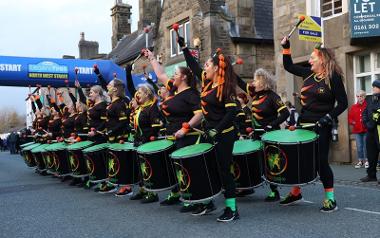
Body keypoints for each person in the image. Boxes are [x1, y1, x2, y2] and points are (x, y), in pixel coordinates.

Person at [281, 36, 348, 212]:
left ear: (322, 60)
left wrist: (328, 117)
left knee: (321, 162)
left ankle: (330, 199)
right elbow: (288, 66)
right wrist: (286, 48)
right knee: (298, 159)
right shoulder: (307, 73)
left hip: (321, 126)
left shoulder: (333, 77)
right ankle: (296, 192)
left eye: (312, 58)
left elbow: (343, 103)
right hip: (304, 125)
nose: (309, 60)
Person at [181, 39, 239, 222]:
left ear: (216, 68)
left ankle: (232, 209)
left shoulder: (225, 87)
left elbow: (232, 112)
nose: (204, 68)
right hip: (210, 132)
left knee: (224, 170)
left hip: (225, 134)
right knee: (207, 167)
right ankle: (208, 202)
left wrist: (217, 130)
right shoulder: (207, 84)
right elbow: (193, 65)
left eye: (207, 65)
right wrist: (184, 47)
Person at [144, 49, 203, 211]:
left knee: (190, 168)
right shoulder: (175, 90)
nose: (173, 76)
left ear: (183, 77)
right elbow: (161, 74)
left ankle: (200, 200)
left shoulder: (191, 94)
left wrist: (185, 129)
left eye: (176, 73)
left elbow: (199, 114)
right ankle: (184, 196)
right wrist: (151, 58)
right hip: (173, 135)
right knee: (177, 168)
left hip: (188, 136)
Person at [236, 68, 289, 201]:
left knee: (270, 161)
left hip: (271, 134)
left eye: (255, 80)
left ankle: (274, 191)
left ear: (263, 82)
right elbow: (240, 82)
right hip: (257, 134)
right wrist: (228, 68)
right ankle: (249, 185)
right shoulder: (255, 94)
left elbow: (285, 113)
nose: (253, 83)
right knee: (258, 161)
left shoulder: (272, 96)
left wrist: (271, 125)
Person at [361, 80, 380, 184]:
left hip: (378, 130)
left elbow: (377, 114)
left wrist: (372, 124)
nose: (373, 88)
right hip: (370, 131)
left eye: (375, 87)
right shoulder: (370, 99)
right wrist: (365, 122)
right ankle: (371, 175)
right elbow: (365, 112)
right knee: (371, 154)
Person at [348, 90, 368, 169]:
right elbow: (350, 118)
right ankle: (360, 161)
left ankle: (367, 161)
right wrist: (354, 123)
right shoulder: (353, 107)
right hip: (357, 130)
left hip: (366, 130)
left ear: (364, 97)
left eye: (361, 96)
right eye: (358, 96)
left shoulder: (367, 106)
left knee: (366, 146)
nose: (360, 98)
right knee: (359, 146)